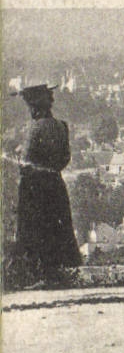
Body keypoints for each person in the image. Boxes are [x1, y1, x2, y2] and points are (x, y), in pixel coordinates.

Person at [15, 83, 81, 286]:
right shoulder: (62, 126)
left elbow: (26, 160)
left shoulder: (35, 128)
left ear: (34, 106)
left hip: (35, 185)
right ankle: (55, 274)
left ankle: (40, 275)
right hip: (55, 183)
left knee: (35, 228)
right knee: (56, 228)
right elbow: (65, 158)